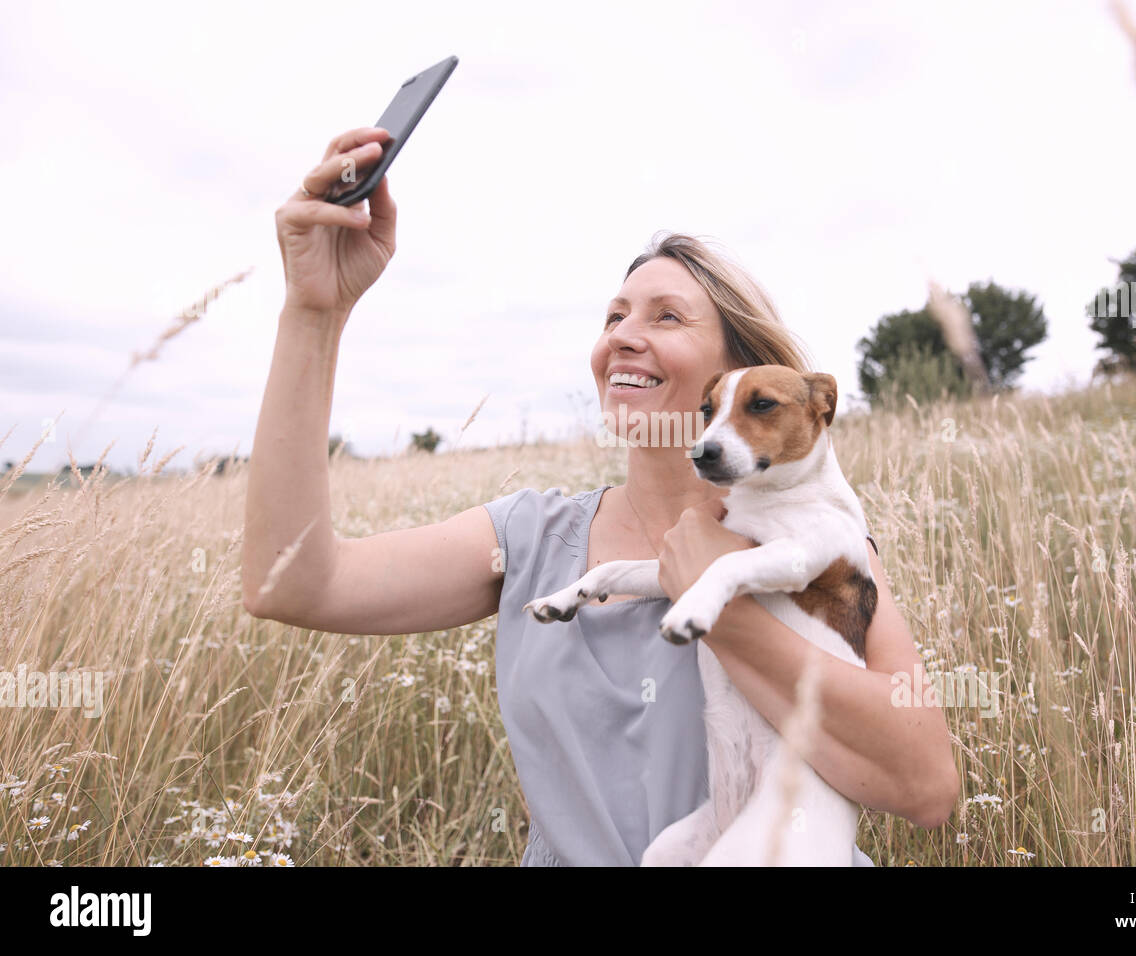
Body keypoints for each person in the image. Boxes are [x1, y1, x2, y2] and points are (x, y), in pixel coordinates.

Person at [243, 125, 960, 866]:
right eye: (614, 316)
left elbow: (925, 784)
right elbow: (289, 583)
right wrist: (313, 311)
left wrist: (720, 602)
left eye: (666, 317)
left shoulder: (816, 555)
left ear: (742, 374)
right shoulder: (531, 537)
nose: (623, 335)